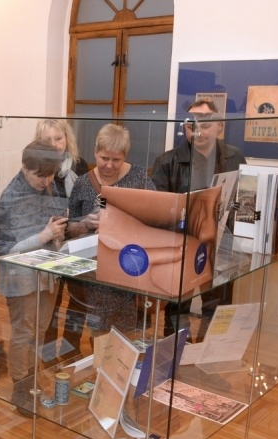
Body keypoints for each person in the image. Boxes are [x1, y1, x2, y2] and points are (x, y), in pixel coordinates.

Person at [150, 98, 247, 338]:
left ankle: (209, 353)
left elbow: (245, 200)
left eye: (205, 125)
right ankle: (176, 354)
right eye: (191, 125)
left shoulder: (234, 157)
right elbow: (157, 211)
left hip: (221, 245)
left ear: (219, 126)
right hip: (182, 247)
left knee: (217, 308)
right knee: (177, 309)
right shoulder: (167, 162)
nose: (198, 131)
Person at [0, 140, 67, 412]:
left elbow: (52, 224)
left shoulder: (49, 186)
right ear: (25, 167)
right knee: (24, 333)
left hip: (47, 272)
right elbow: (5, 251)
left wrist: (57, 233)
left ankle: (31, 380)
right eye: (40, 175)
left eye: (51, 175)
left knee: (40, 331)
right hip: (21, 276)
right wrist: (44, 235)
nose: (46, 181)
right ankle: (20, 387)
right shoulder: (10, 197)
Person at [68, 123, 156, 335]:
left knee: (129, 332)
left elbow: (155, 219)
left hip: (129, 268)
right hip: (94, 272)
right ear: (95, 152)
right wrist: (85, 224)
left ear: (125, 156)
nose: (109, 165)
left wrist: (118, 225)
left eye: (116, 160)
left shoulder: (139, 178)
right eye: (104, 158)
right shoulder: (82, 183)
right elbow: (69, 229)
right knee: (99, 332)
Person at [34, 119, 90, 358]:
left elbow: (89, 199)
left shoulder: (80, 165)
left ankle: (71, 349)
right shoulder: (35, 166)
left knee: (78, 300)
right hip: (49, 243)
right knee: (51, 302)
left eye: (59, 138)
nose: (55, 144)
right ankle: (47, 352)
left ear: (67, 139)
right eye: (48, 140)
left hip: (77, 241)